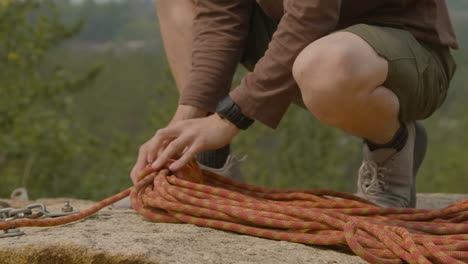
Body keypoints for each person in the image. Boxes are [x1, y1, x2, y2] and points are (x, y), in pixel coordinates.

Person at [130, 0, 458, 208]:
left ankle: (391, 145)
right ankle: (206, 165)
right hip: (305, 46)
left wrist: (227, 119)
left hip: (402, 49)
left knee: (327, 66)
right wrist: (184, 123)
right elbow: (220, 17)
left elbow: (310, 18)